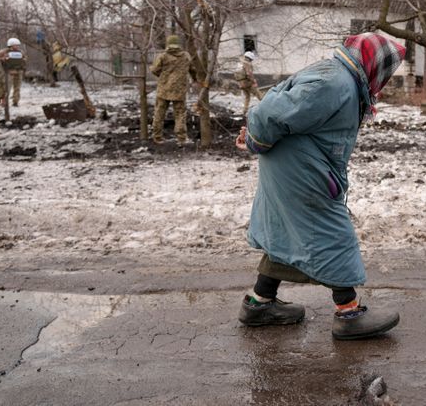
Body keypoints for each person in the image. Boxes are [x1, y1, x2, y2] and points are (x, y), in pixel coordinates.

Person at [235, 31, 406, 340]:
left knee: (290, 229)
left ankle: (259, 303)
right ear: (373, 64)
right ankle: (348, 313)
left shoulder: (338, 77)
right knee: (331, 232)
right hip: (301, 170)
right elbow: (270, 113)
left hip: (295, 164)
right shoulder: (335, 84)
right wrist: (254, 139)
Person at [150, 35, 197, 146]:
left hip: (164, 89)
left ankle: (157, 137)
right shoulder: (186, 56)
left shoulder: (162, 56)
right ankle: (181, 139)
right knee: (180, 114)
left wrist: (160, 75)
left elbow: (155, 70)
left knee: (159, 114)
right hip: (179, 90)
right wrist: (194, 79)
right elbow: (193, 70)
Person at [0, 37, 27, 107]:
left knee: (17, 88)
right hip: (9, 72)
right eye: (16, 45)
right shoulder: (4, 51)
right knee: (6, 88)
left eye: (18, 45)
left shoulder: (21, 52)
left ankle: (16, 101)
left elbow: (25, 59)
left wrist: (23, 61)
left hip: (19, 72)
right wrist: (3, 59)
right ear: (11, 45)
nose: (17, 46)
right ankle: (4, 102)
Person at [234, 51, 263, 116]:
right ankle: (267, 106)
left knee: (247, 97)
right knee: (258, 94)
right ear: (250, 58)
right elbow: (249, 74)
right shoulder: (247, 64)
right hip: (247, 83)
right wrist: (254, 82)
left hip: (240, 83)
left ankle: (244, 110)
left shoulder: (240, 63)